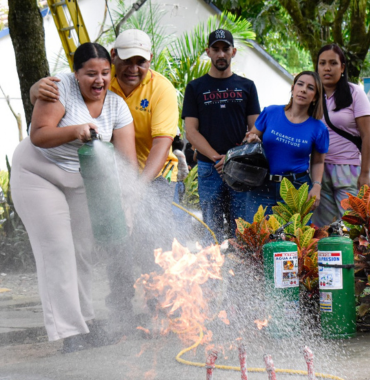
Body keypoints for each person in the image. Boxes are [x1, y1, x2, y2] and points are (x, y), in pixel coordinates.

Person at [30, 29, 181, 330]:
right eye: (127, 60)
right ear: (114, 57)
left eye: (141, 61)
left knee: (153, 246)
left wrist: (137, 190)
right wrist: (36, 88)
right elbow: (57, 99)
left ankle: (160, 312)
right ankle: (122, 312)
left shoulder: (161, 89)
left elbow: (162, 145)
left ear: (150, 61)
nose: (133, 68)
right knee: (117, 243)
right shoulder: (100, 83)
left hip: (153, 177)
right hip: (108, 177)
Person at [11, 43, 137, 353]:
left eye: (105, 73)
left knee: (82, 250)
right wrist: (77, 131)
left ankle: (86, 322)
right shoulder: (57, 89)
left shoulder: (117, 107)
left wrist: (128, 205)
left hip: (81, 179)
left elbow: (126, 165)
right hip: (39, 174)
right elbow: (39, 133)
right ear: (75, 73)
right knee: (58, 249)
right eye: (90, 74)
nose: (99, 80)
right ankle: (69, 332)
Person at [183, 29, 261, 242]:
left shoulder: (247, 86)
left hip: (241, 168)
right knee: (212, 234)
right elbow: (191, 131)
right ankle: (215, 275)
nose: (220, 54)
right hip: (210, 168)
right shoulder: (195, 88)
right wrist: (219, 158)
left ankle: (241, 272)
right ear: (207, 52)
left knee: (243, 231)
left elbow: (255, 129)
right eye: (215, 49)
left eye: (225, 49)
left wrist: (231, 159)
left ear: (233, 52)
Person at [243, 71, 329, 216]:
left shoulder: (319, 129)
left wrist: (317, 186)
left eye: (310, 87)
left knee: (292, 237)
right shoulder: (270, 112)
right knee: (257, 236)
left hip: (295, 188)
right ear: (293, 88)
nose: (303, 89)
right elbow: (249, 139)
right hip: (261, 185)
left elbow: (318, 162)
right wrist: (252, 140)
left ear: (315, 97)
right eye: (300, 84)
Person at [311, 44, 370, 228]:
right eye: (322, 63)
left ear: (343, 67)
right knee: (322, 229)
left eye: (333, 63)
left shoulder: (355, 93)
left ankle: (355, 258)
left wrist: (365, 173)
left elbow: (368, 136)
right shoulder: (312, 94)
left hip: (349, 170)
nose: (327, 68)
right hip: (318, 171)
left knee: (352, 227)